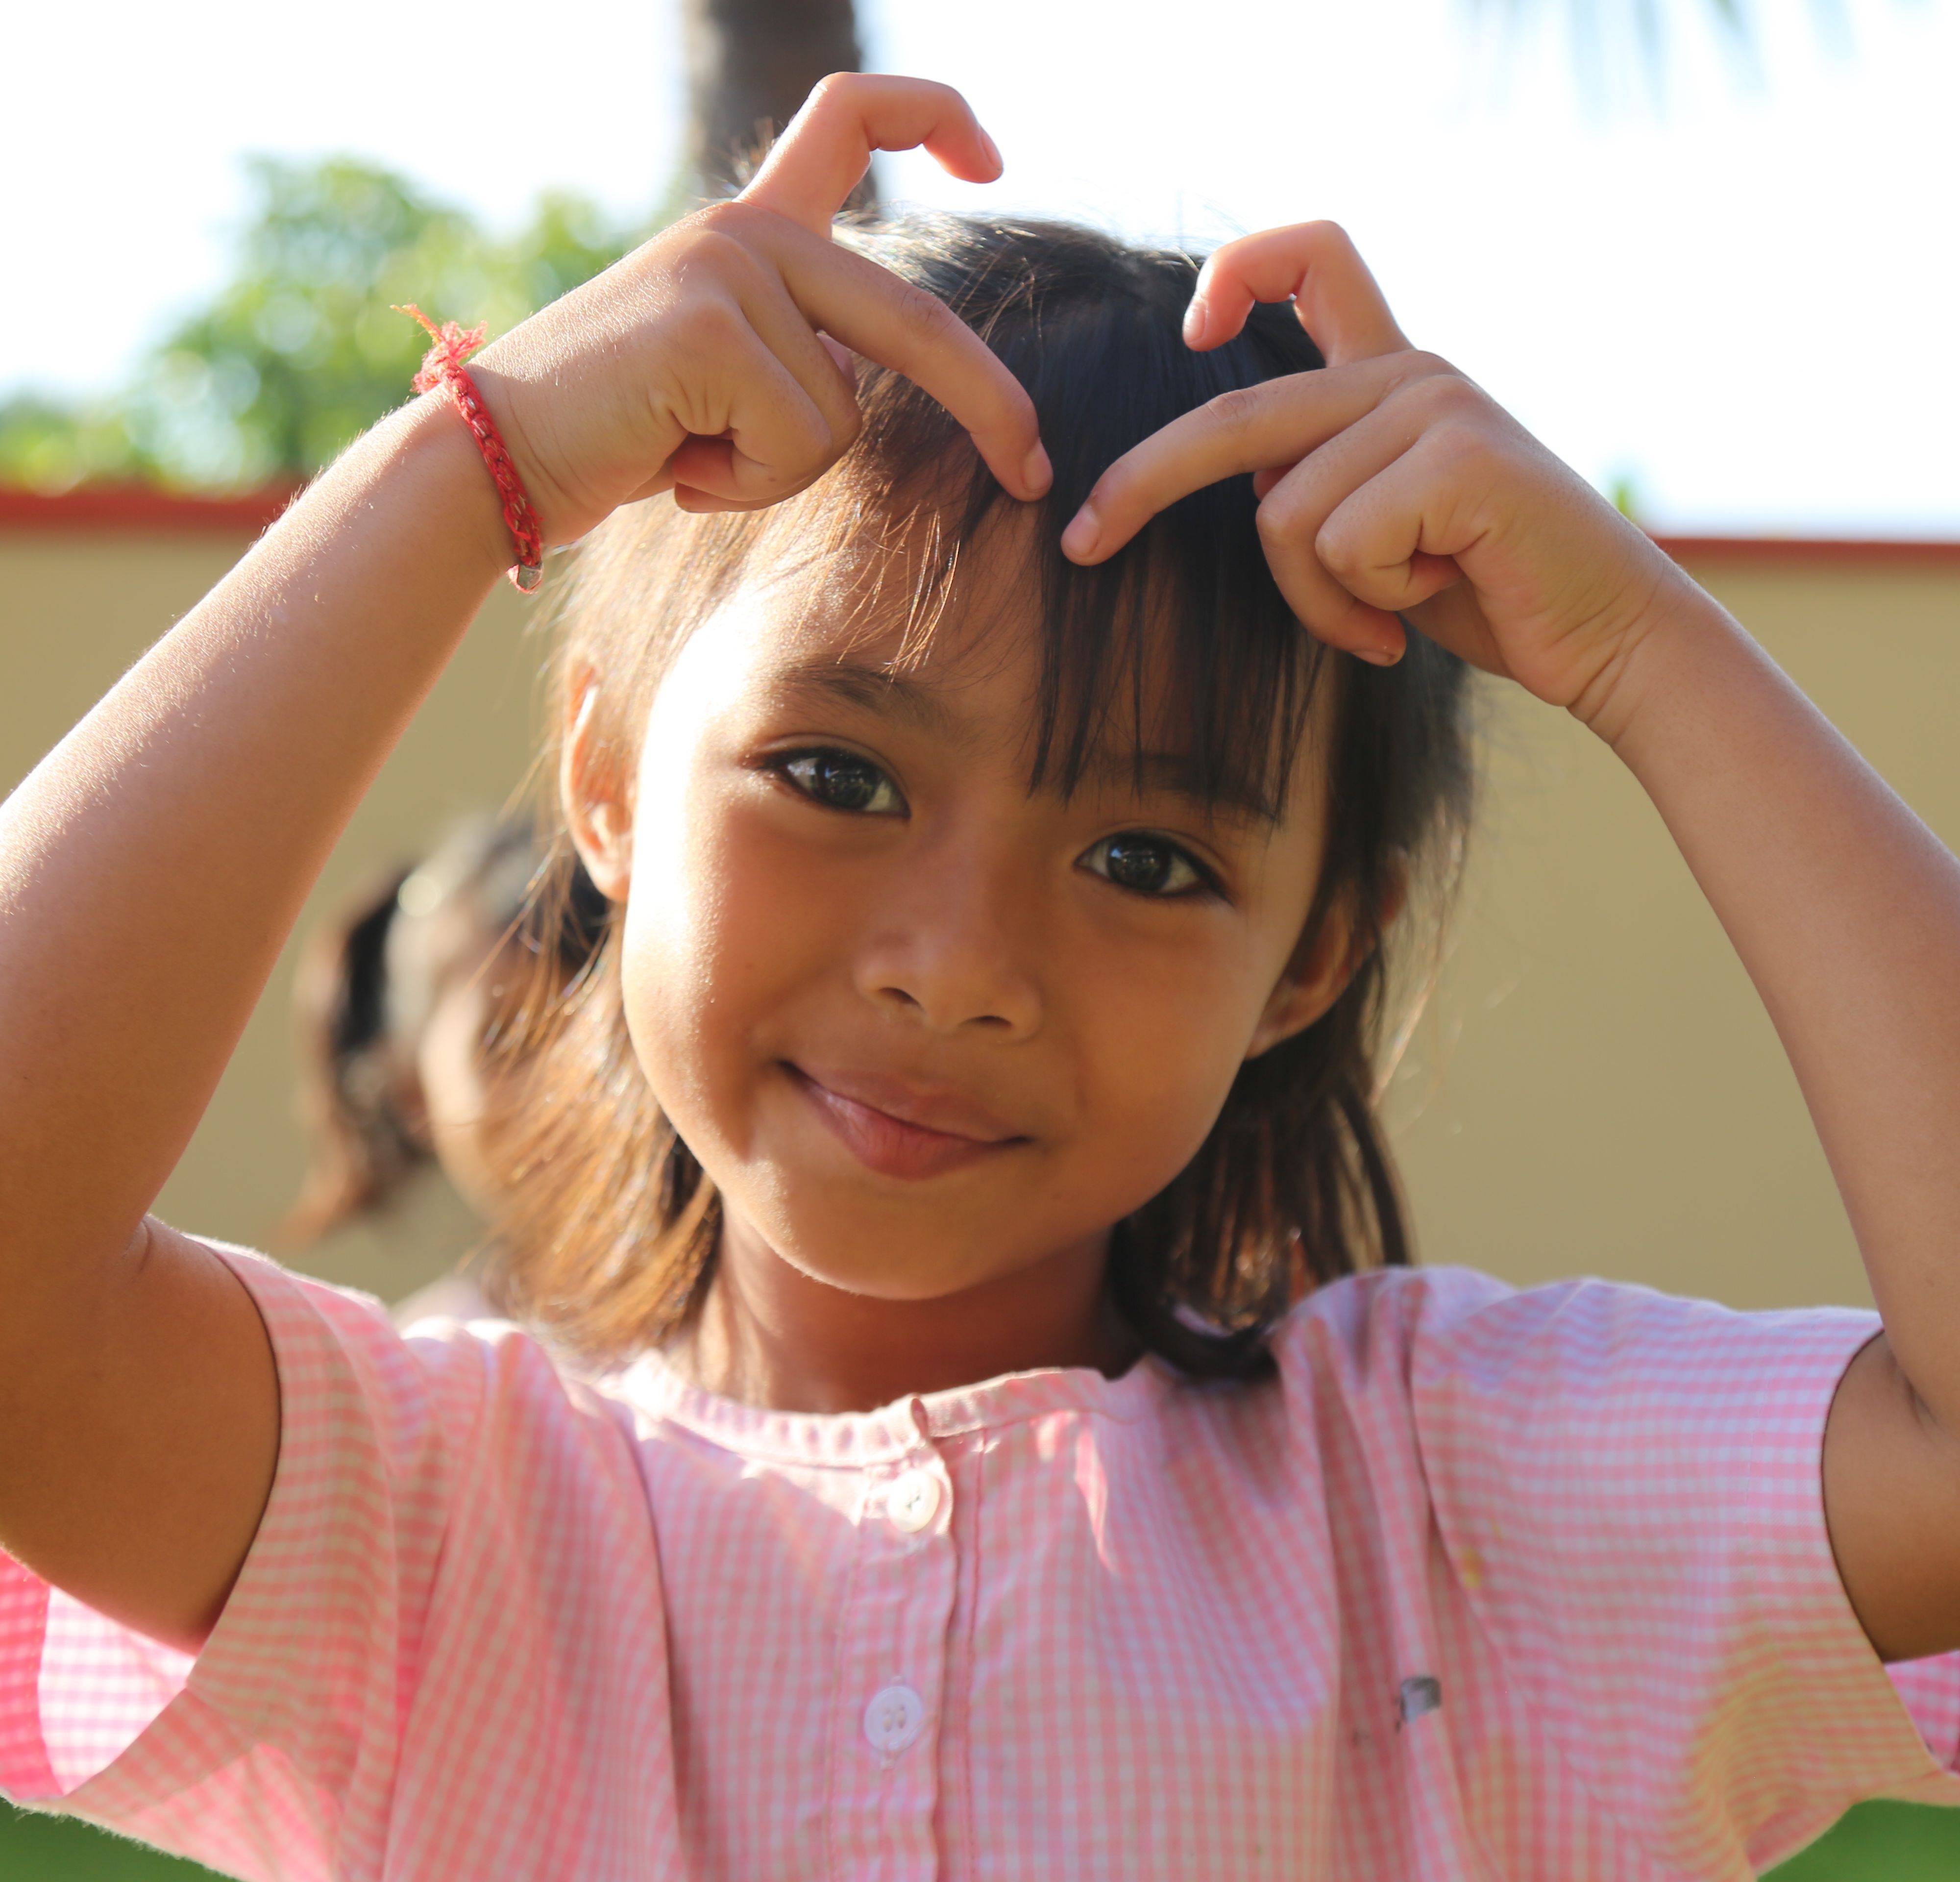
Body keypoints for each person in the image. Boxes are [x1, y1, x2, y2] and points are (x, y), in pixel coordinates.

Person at [1, 73, 1957, 1882]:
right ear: (601, 780)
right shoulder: (445, 1516)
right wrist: (473, 457)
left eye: (1145, 859)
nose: (956, 973)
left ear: (1308, 963)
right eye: (835, 776)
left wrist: (1638, 646)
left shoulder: (1454, 1511)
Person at [281, 814, 609, 1324]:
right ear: (413, 1092)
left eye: (613, 1028)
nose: (580, 1076)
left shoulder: (767, 1308)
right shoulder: (413, 1379)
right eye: (513, 1038)